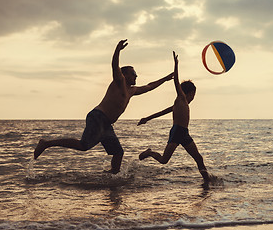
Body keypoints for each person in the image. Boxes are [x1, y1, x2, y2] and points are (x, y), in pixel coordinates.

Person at [34, 39, 174, 174]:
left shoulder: (132, 90)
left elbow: (149, 86)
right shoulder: (119, 81)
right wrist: (117, 50)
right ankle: (46, 143)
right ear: (124, 74)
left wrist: (166, 78)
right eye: (133, 74)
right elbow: (114, 66)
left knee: (118, 152)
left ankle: (113, 178)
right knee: (83, 146)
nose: (136, 76)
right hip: (98, 117)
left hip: (106, 123)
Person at [138, 51, 210, 183]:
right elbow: (176, 82)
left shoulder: (180, 104)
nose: (194, 97)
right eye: (194, 94)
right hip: (177, 132)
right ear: (189, 93)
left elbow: (162, 112)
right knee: (164, 160)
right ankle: (149, 153)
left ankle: (207, 181)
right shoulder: (181, 98)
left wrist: (147, 119)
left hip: (184, 133)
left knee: (198, 158)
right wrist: (176, 65)